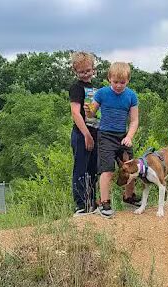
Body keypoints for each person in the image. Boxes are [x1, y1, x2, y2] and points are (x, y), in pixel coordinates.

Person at [90, 61, 141, 218]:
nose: (119, 85)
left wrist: (129, 136)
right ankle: (104, 202)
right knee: (107, 170)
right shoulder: (102, 93)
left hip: (123, 136)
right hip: (105, 136)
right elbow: (91, 114)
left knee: (131, 168)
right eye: (115, 82)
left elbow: (134, 120)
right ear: (109, 79)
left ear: (128, 81)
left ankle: (129, 196)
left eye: (122, 82)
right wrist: (89, 110)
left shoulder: (131, 96)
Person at [68, 51, 100, 216]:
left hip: (96, 132)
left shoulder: (97, 88)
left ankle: (91, 202)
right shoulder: (76, 88)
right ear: (75, 71)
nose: (85, 74)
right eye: (81, 72)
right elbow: (75, 112)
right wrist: (86, 134)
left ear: (93, 69)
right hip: (82, 133)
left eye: (88, 70)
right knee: (80, 169)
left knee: (93, 169)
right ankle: (81, 204)